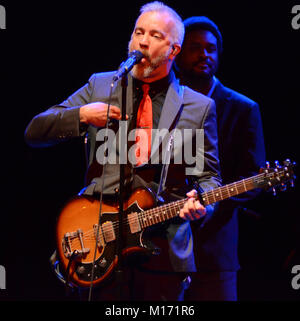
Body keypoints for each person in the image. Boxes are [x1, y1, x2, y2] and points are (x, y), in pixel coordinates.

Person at [24, 3, 221, 300]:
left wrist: (202, 202)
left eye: (155, 35)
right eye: (138, 32)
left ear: (174, 50)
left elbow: (209, 178)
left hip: (163, 254)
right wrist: (81, 116)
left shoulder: (199, 107)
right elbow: (35, 132)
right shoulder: (100, 85)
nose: (142, 41)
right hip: (98, 246)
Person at [174, 16, 266, 300]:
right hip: (159, 247)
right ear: (177, 54)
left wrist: (209, 202)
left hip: (215, 250)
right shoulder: (162, 102)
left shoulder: (242, 108)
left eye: (211, 49)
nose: (204, 54)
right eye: (195, 47)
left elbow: (254, 176)